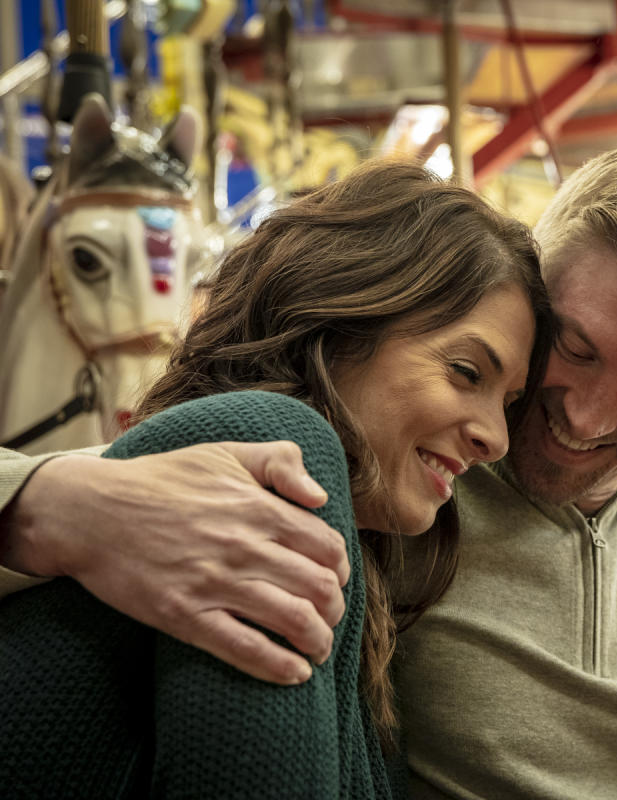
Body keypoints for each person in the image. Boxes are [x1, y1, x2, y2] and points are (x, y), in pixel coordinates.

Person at [0, 144, 617, 798]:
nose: (586, 412)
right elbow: (168, 495)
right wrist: (45, 497)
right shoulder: (368, 472)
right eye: (571, 348)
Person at [0, 158, 554, 798]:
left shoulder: (359, 560)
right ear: (336, 323)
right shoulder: (276, 446)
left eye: (510, 403)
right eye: (465, 372)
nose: (498, 438)